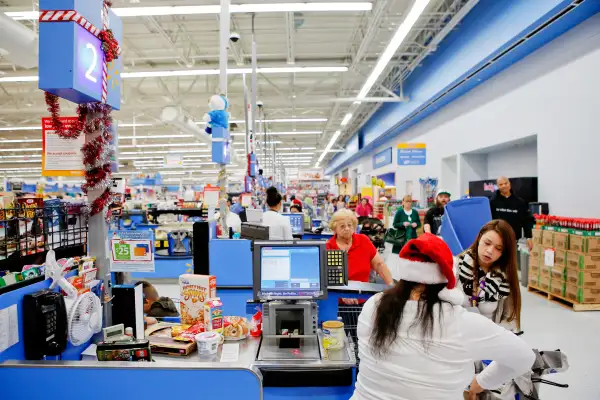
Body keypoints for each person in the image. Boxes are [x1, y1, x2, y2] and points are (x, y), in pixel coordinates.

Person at [351, 234, 535, 400]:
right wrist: (482, 381)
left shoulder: (374, 305)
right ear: (447, 281)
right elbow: (525, 357)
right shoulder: (461, 323)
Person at [455, 220, 522, 330]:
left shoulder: (504, 279)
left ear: (504, 253)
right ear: (480, 237)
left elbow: (510, 319)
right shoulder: (457, 265)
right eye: (487, 243)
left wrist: (492, 335)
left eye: (498, 248)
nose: (490, 251)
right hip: (457, 337)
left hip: (488, 340)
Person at [326, 209, 393, 285]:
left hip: (363, 293)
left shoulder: (363, 240)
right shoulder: (329, 247)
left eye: (349, 225)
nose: (347, 228)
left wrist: (391, 287)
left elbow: (379, 265)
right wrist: (345, 294)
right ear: (334, 229)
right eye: (342, 226)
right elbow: (331, 279)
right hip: (339, 293)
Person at [489, 176, 535, 250]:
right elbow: (488, 221)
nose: (504, 186)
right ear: (497, 186)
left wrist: (529, 237)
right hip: (497, 240)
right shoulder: (492, 202)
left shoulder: (520, 202)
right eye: (501, 184)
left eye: (505, 183)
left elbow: (526, 220)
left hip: (514, 240)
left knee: (512, 261)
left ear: (509, 184)